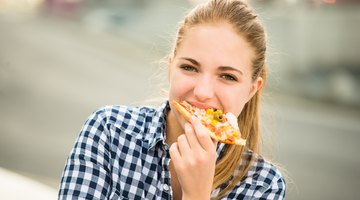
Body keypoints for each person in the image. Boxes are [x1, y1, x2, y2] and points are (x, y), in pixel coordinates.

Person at [58, 0, 286, 199]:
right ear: (170, 68)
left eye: (227, 76)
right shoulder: (109, 130)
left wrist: (196, 195)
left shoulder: (264, 185)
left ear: (251, 90)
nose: (203, 92)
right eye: (189, 67)